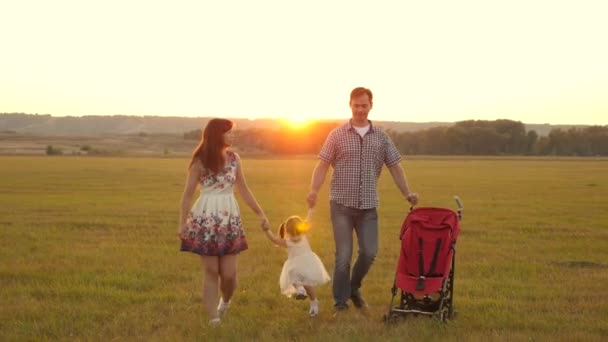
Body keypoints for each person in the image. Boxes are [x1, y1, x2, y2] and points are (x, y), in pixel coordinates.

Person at [306, 87, 419, 312]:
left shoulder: (382, 137)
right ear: (350, 105)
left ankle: (353, 287)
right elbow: (322, 165)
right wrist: (313, 190)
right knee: (344, 256)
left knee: (369, 253)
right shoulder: (336, 135)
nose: (360, 110)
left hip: (368, 207)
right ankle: (340, 303)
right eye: (356, 105)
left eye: (364, 105)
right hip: (341, 205)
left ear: (370, 106)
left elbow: (395, 167)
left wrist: (407, 193)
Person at [178, 118, 270, 326]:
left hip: (229, 218)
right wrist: (182, 223)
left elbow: (243, 189)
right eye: (229, 132)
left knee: (228, 274)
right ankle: (213, 318)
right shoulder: (199, 161)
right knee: (211, 271)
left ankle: (225, 301)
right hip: (205, 218)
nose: (233, 135)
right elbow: (187, 195)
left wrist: (260, 213)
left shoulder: (234, 158)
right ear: (217, 134)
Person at [261, 210, 331, 317]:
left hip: (307, 263)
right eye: (293, 235)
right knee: (292, 274)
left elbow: (309, 219)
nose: (296, 237)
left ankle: (313, 301)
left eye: (297, 234)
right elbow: (274, 240)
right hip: (298, 264)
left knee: (303, 282)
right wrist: (266, 231)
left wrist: (311, 209)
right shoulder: (287, 242)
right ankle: (301, 291)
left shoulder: (303, 236)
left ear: (301, 230)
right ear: (287, 233)